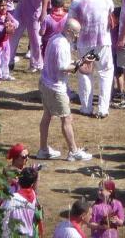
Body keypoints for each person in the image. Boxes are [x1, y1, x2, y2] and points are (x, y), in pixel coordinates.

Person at [37, 17, 93, 162]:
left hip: (45, 82)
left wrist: (78, 62)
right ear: (68, 30)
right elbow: (63, 67)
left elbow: (61, 63)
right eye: (75, 33)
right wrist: (80, 64)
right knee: (67, 118)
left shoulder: (55, 38)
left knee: (47, 115)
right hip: (55, 87)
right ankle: (73, 151)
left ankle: (43, 150)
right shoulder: (62, 45)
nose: (77, 36)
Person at [68, 0, 115, 118]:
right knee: (105, 73)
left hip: (84, 41)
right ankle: (102, 109)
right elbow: (111, 11)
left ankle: (86, 107)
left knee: (85, 74)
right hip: (103, 41)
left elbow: (70, 22)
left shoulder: (77, 2)